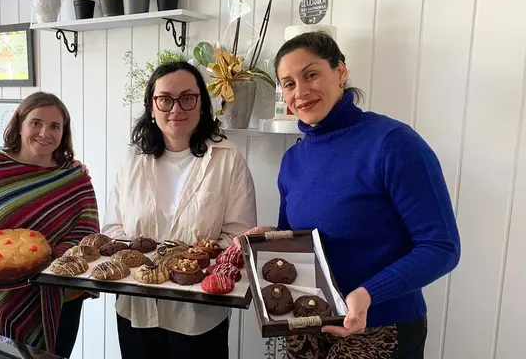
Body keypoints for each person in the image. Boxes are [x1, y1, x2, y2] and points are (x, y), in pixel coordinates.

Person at [238, 31, 461, 358]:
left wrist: (368, 294)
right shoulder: (293, 160)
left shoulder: (393, 143)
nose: (300, 92)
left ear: (340, 72)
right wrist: (269, 237)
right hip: (309, 324)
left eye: (311, 75)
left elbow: (441, 247)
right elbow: (300, 242)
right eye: (288, 84)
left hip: (382, 325)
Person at [103, 61, 257, 359]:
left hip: (199, 314)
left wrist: (184, 266)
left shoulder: (228, 158)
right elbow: (113, 228)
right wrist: (147, 268)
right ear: (151, 106)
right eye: (165, 99)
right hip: (136, 307)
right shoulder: (133, 158)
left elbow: (237, 236)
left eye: (187, 98)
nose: (176, 109)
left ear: (202, 104)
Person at [0, 92, 99, 357]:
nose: (44, 133)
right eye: (36, 123)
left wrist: (44, 262)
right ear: (19, 125)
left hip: (58, 298)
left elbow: (87, 236)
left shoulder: (75, 179)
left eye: (55, 126)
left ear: (64, 133)